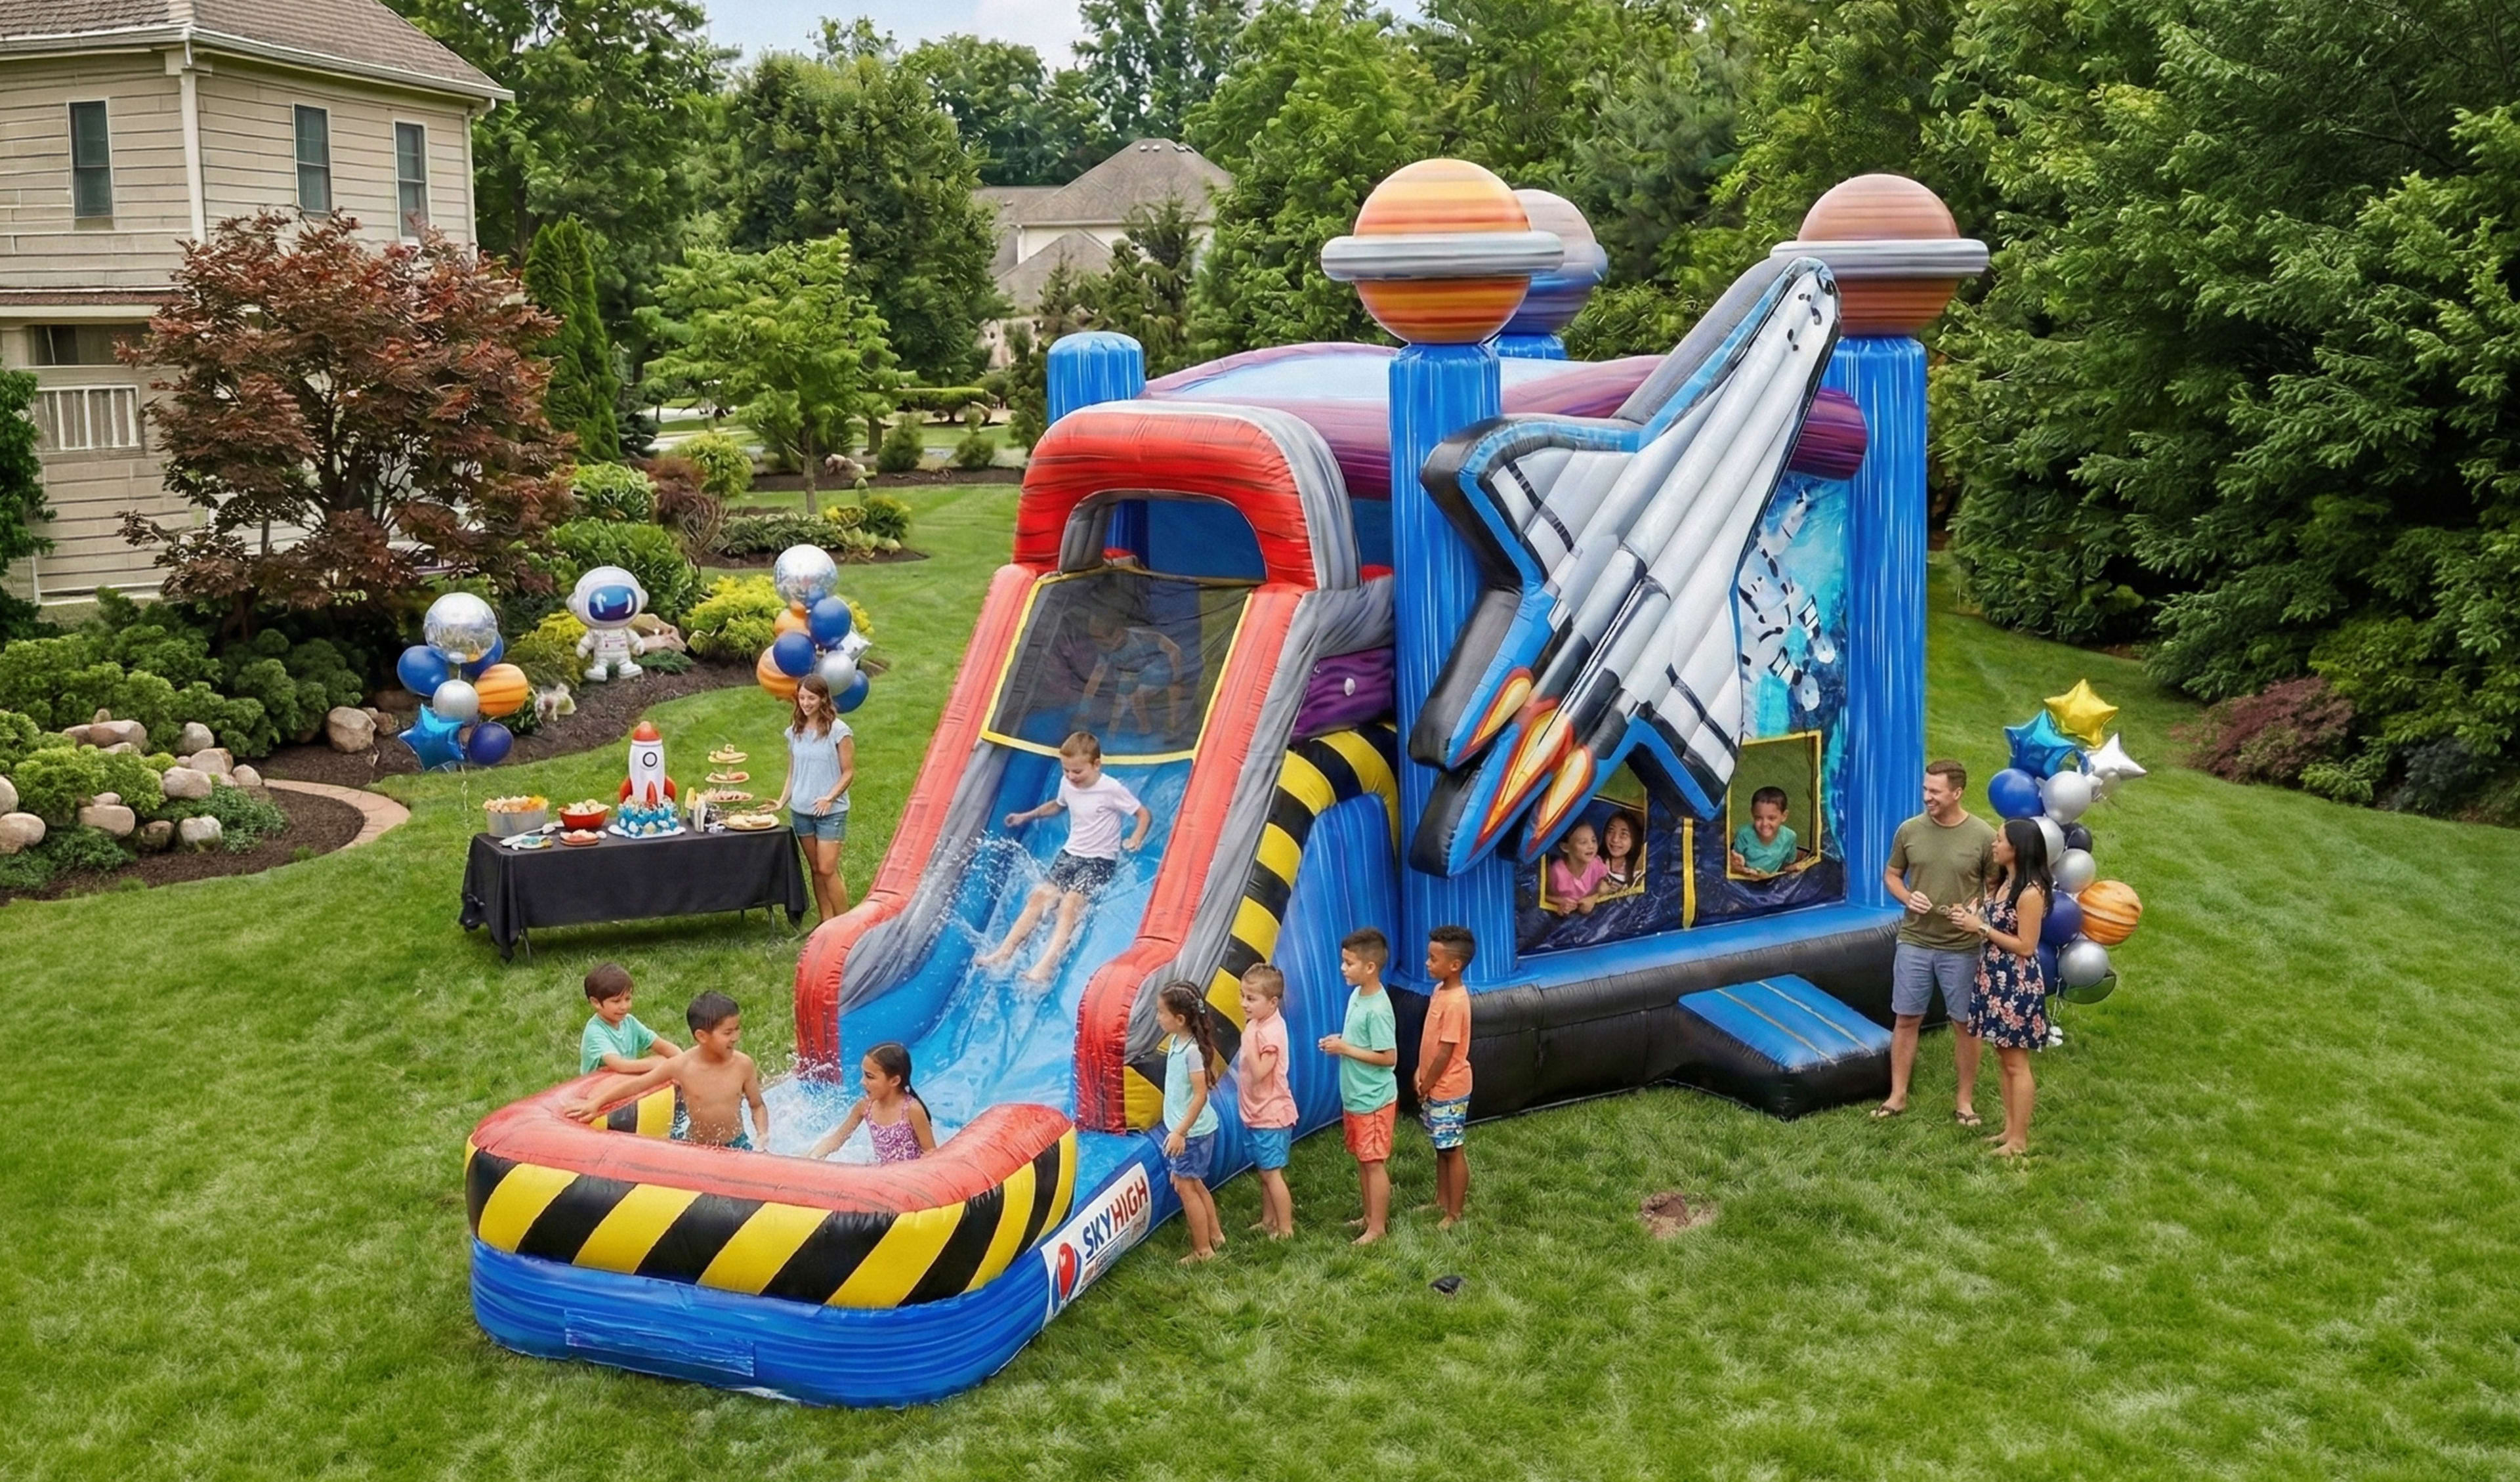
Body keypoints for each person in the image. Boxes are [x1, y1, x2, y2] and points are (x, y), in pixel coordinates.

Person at [1875, 759, 1998, 1125]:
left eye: (1935, 791)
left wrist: (1978, 908)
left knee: (1964, 1023)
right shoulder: (1909, 830)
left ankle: (1964, 1102)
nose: (1926, 796)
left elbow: (1994, 886)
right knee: (1907, 1017)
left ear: (1957, 793)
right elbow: (1892, 875)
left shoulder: (1982, 836)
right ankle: (1897, 1097)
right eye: (1925, 789)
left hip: (1962, 947)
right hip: (1914, 939)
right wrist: (1906, 896)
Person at [977, 732, 1152, 983]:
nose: (1071, 777)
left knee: (1070, 902)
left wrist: (1136, 837)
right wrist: (1026, 816)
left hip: (1099, 861)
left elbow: (1143, 814)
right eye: (1066, 770)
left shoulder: (1111, 789)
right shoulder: (1067, 783)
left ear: (1096, 765)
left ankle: (1046, 965)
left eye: (1077, 772)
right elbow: (1058, 805)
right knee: (1040, 896)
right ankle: (1004, 952)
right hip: (1070, 854)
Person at [1948, 819, 2051, 1158]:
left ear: (2017, 848)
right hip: (1993, 978)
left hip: (2016, 985)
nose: (1994, 844)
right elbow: (1988, 922)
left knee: (2016, 1063)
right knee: (2004, 1059)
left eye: (1999, 840)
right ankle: (2010, 1130)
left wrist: (1981, 929)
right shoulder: (2005, 883)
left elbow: (2026, 946)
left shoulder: (2031, 892)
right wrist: (1969, 917)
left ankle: (2019, 1141)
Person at [570, 992, 767, 1151]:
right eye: (727, 1032)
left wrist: (762, 1136)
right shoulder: (682, 1066)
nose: (735, 1037)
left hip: (736, 1143)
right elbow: (639, 1084)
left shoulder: (743, 1065)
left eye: (737, 1029)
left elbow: (757, 1105)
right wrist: (597, 1103)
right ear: (702, 1036)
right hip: (697, 1147)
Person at [1320, 927, 1398, 1245]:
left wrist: (1345, 1050)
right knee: (1363, 1160)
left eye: (1349, 963)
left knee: (1374, 1162)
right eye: (1343, 961)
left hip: (1374, 1100)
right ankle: (1368, 1216)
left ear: (1370, 967)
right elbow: (1360, 1042)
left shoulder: (1379, 1009)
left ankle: (1377, 1228)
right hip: (1356, 1096)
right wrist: (1342, 1041)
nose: (1343, 968)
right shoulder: (1357, 996)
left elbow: (1388, 1057)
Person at [774, 672, 856, 922]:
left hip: (830, 813)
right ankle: (825, 923)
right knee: (816, 870)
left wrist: (830, 798)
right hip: (801, 811)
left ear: (823, 699)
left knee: (827, 869)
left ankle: (844, 926)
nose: (806, 703)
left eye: (811, 698)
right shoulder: (794, 732)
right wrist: (781, 801)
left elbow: (849, 772)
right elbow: (793, 773)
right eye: (802, 698)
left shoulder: (839, 731)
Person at [1155, 982, 1225, 1263]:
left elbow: (1199, 1095)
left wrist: (1180, 1133)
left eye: (1161, 1013)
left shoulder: (1191, 1051)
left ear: (1180, 1019)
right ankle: (1216, 1235)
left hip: (1191, 1133)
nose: (1158, 1018)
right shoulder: (1177, 1041)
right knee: (1193, 1184)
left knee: (1187, 1189)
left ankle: (1202, 1250)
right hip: (1189, 1131)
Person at [1416, 926, 1476, 1229]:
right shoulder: (1440, 991)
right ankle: (1441, 1199)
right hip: (1433, 1084)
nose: (1427, 963)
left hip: (1449, 1086)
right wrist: (1419, 1072)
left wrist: (1427, 1082)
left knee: (1452, 1148)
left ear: (1455, 965)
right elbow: (1429, 1041)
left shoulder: (1456, 1003)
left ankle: (1455, 1213)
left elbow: (1445, 1052)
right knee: (1441, 1145)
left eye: (1433, 959)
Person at [1237, 963, 1298, 1239]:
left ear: (1273, 1002)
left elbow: (1262, 1073)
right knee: (1264, 1172)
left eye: (1251, 999)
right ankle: (1268, 1219)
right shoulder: (1259, 1024)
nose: (1244, 1004)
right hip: (1257, 1113)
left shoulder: (1269, 1031)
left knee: (1273, 1175)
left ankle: (1285, 1228)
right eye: (1243, 996)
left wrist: (1248, 1041)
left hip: (1272, 1115)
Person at [805, 1041, 936, 1164]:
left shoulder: (912, 1110)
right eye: (864, 1075)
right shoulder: (865, 1106)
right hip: (881, 1176)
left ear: (895, 1081)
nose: (862, 1082)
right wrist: (813, 1156)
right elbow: (837, 1139)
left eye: (870, 1077)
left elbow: (931, 1153)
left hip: (907, 1179)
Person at [1079, 610, 1187, 737]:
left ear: (1119, 632)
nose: (1102, 647)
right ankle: (1139, 730)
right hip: (1132, 679)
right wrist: (1083, 710)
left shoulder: (1141, 637)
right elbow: (1095, 679)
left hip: (1154, 673)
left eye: (1103, 642)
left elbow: (1174, 649)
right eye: (1098, 642)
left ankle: (1173, 724)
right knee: (1122, 702)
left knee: (1139, 694)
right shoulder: (1107, 651)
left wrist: (1177, 676)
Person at [578, 962, 679, 1076]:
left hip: (624, 1080)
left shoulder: (629, 1021)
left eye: (628, 999)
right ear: (596, 1003)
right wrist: (654, 1063)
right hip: (598, 1086)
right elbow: (619, 1065)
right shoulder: (595, 1032)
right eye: (616, 1001)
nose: (624, 1006)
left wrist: (684, 1061)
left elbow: (659, 1044)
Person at [1730, 786, 1799, 877]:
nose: (1764, 824)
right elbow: (1735, 862)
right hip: (1747, 880)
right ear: (1752, 813)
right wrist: (1737, 865)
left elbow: (1788, 863)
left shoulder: (1790, 837)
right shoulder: (1744, 834)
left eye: (1771, 818)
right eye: (1758, 818)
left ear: (1784, 816)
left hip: (1771, 882)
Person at [1544, 821, 1610, 914]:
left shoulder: (1596, 865)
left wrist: (1593, 898)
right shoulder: (1556, 872)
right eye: (1583, 842)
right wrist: (1560, 902)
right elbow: (1543, 896)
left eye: (1594, 841)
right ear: (1565, 847)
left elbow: (1607, 887)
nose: (1591, 846)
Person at [1597, 811, 1645, 896]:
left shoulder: (1638, 873)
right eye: (1611, 831)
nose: (1615, 839)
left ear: (1634, 839)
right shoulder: (1593, 863)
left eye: (1624, 834)